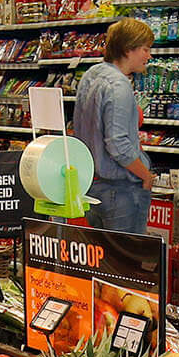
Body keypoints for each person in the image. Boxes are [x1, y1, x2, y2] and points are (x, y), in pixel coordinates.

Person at [73, 18, 156, 233]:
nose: (149, 56)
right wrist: (145, 175)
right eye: (145, 49)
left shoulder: (91, 76)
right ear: (128, 50)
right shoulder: (119, 85)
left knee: (103, 261)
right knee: (127, 260)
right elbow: (118, 144)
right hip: (120, 191)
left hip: (91, 185)